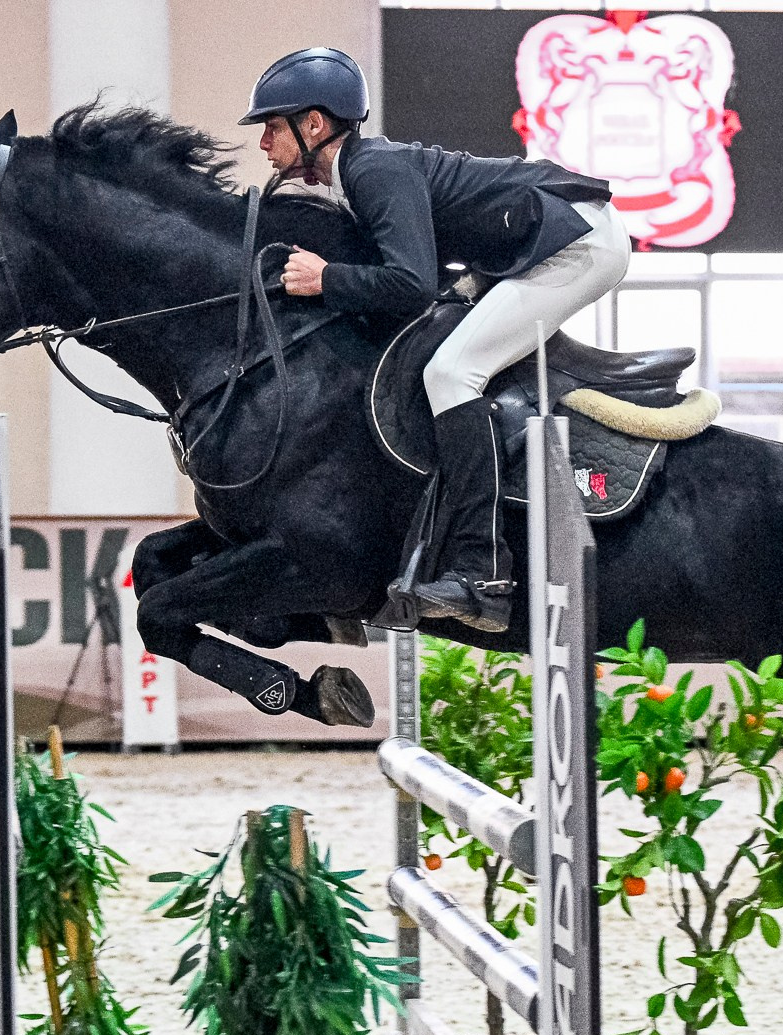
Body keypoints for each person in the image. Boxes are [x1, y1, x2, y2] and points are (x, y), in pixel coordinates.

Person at [241, 47, 629, 633]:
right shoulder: (356, 175)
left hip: (578, 245)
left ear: (314, 124)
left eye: (273, 126)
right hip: (524, 249)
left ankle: (483, 571)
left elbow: (411, 283)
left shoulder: (372, 170)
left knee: (453, 373)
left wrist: (327, 279)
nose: (264, 143)